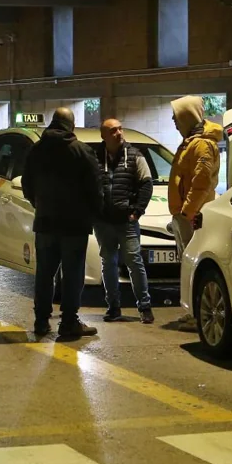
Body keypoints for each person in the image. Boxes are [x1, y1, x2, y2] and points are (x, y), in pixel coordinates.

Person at [21, 108, 102, 340]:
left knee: (44, 273)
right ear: (71, 125)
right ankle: (68, 322)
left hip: (45, 222)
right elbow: (95, 188)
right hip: (75, 225)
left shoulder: (36, 150)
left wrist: (39, 204)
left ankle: (41, 321)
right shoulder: (82, 151)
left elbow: (27, 184)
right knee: (73, 273)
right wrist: (93, 214)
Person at [92, 118, 155, 324]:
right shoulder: (95, 158)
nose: (119, 133)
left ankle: (144, 306)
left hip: (126, 222)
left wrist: (137, 212)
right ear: (104, 136)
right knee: (108, 263)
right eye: (113, 130)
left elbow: (146, 184)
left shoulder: (135, 156)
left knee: (134, 262)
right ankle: (113, 307)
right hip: (103, 222)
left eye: (120, 129)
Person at [168, 95, 222, 255]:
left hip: (192, 217)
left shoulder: (202, 144)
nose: (174, 120)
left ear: (187, 116)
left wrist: (187, 213)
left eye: (177, 116)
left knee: (191, 261)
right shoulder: (191, 142)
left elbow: (202, 182)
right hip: (186, 215)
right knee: (186, 262)